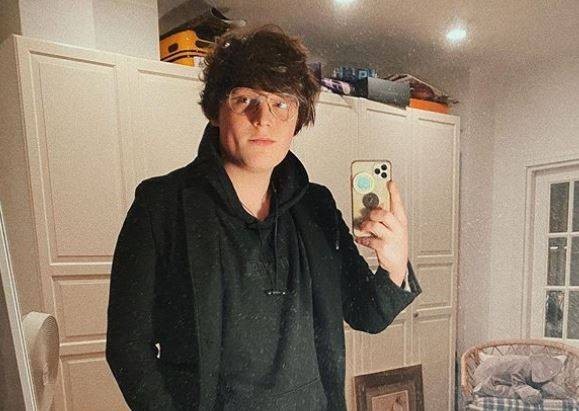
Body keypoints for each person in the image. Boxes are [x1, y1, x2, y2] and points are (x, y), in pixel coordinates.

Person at [105, 25, 421, 411]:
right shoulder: (161, 206)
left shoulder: (317, 206)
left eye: (281, 103)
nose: (263, 119)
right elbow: (127, 348)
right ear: (216, 110)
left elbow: (367, 313)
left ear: (298, 118)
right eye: (245, 99)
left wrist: (394, 265)